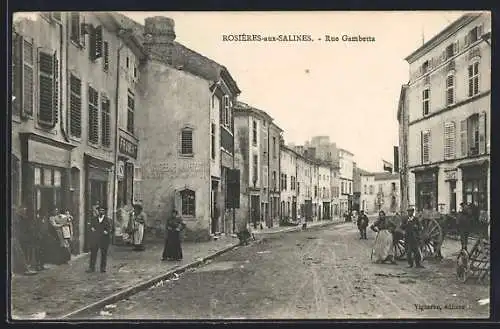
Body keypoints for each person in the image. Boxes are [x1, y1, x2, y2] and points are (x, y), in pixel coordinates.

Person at [12, 206, 37, 275]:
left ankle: (23, 268)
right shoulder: (16, 218)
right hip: (14, 237)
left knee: (19, 253)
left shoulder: (19, 218)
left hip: (16, 237)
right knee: (19, 253)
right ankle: (23, 269)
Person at [86, 207, 112, 273]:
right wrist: (92, 228)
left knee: (104, 254)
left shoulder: (107, 220)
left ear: (104, 212)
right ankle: (91, 268)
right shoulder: (94, 219)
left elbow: (110, 228)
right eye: (100, 210)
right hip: (95, 238)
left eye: (102, 210)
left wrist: (107, 231)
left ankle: (103, 268)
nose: (101, 211)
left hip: (104, 239)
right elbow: (91, 226)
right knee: (93, 253)